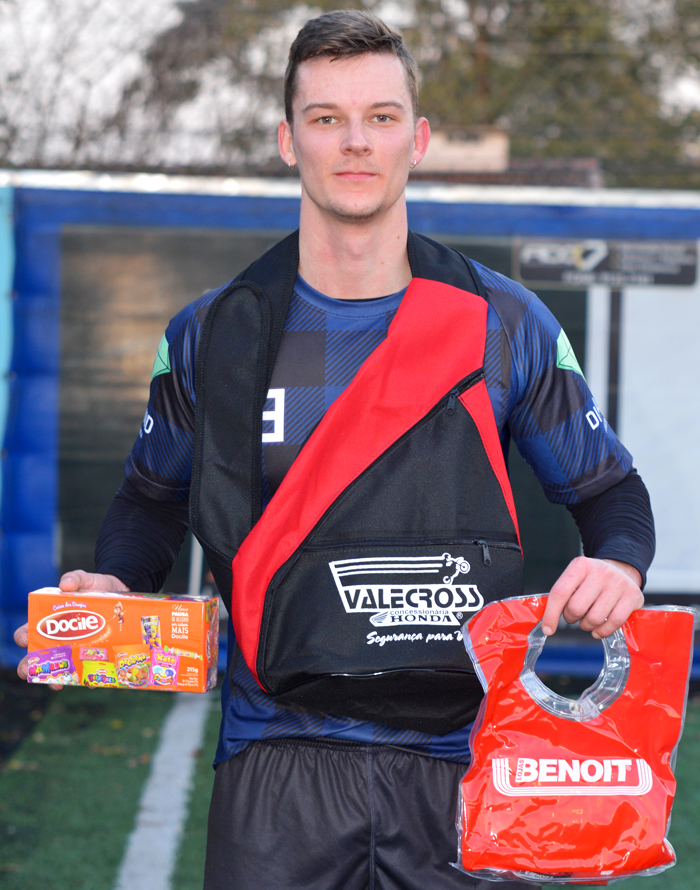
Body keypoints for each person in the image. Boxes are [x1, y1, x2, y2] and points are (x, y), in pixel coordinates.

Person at [15, 10, 654, 890]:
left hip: (457, 759)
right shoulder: (214, 333)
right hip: (276, 756)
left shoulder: (504, 325)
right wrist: (118, 584)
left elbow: (610, 492)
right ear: (288, 140)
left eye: (381, 118)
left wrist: (619, 567)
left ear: (418, 138)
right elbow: (150, 501)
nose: (356, 143)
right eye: (326, 119)